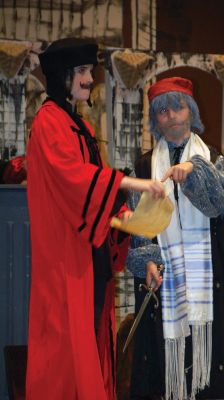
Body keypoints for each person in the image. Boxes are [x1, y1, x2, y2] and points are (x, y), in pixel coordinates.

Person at [26, 38, 165, 400]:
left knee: (89, 347)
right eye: (83, 72)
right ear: (63, 77)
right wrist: (133, 182)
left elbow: (101, 190)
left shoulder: (79, 127)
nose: (90, 79)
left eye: (90, 71)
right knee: (64, 355)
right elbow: (77, 179)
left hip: (88, 259)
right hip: (64, 262)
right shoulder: (49, 123)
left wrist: (130, 219)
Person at [126, 77, 224, 400]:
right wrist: (149, 259)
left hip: (212, 291)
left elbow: (221, 201)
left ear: (191, 111)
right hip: (164, 291)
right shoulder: (143, 167)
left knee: (214, 376)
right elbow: (139, 230)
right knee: (165, 376)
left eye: (177, 107)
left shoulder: (211, 157)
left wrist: (195, 171)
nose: (171, 117)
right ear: (155, 119)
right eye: (163, 111)